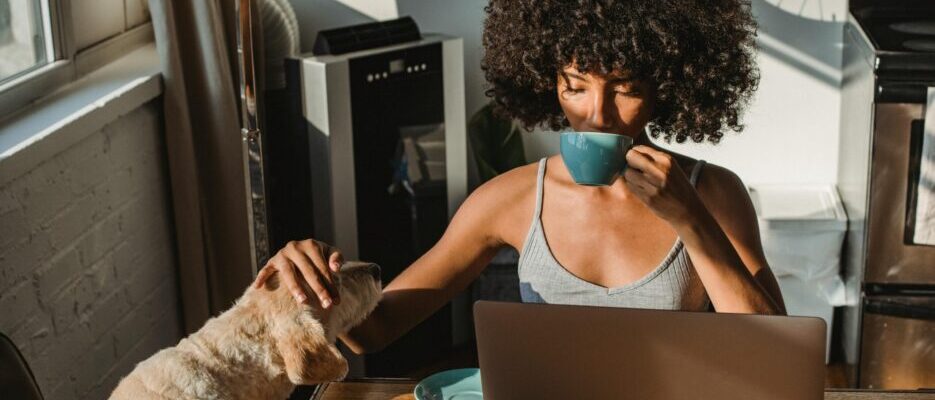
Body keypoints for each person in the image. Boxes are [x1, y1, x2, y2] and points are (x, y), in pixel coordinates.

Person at [253, 0, 786, 354]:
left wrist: (691, 220)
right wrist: (316, 277)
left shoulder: (711, 193)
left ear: (666, 86)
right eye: (575, 86)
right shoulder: (510, 200)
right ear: (546, 82)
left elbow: (774, 349)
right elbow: (378, 328)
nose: (597, 115)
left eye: (624, 88)